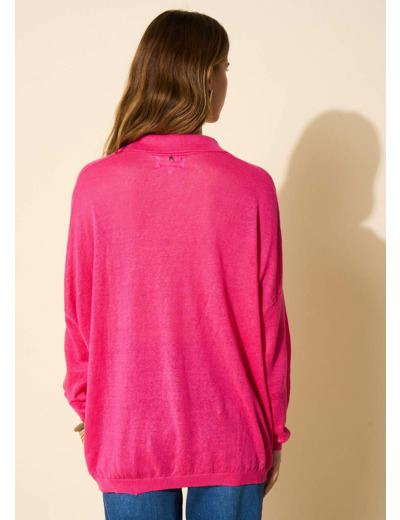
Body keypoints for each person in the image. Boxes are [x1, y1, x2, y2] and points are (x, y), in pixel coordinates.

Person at [62, 8, 292, 520]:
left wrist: (93, 413)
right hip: (232, 434)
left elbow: (78, 317)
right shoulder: (251, 187)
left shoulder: (95, 185)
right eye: (224, 68)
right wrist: (274, 430)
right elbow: (269, 326)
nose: (226, 81)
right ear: (204, 76)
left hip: (127, 431)